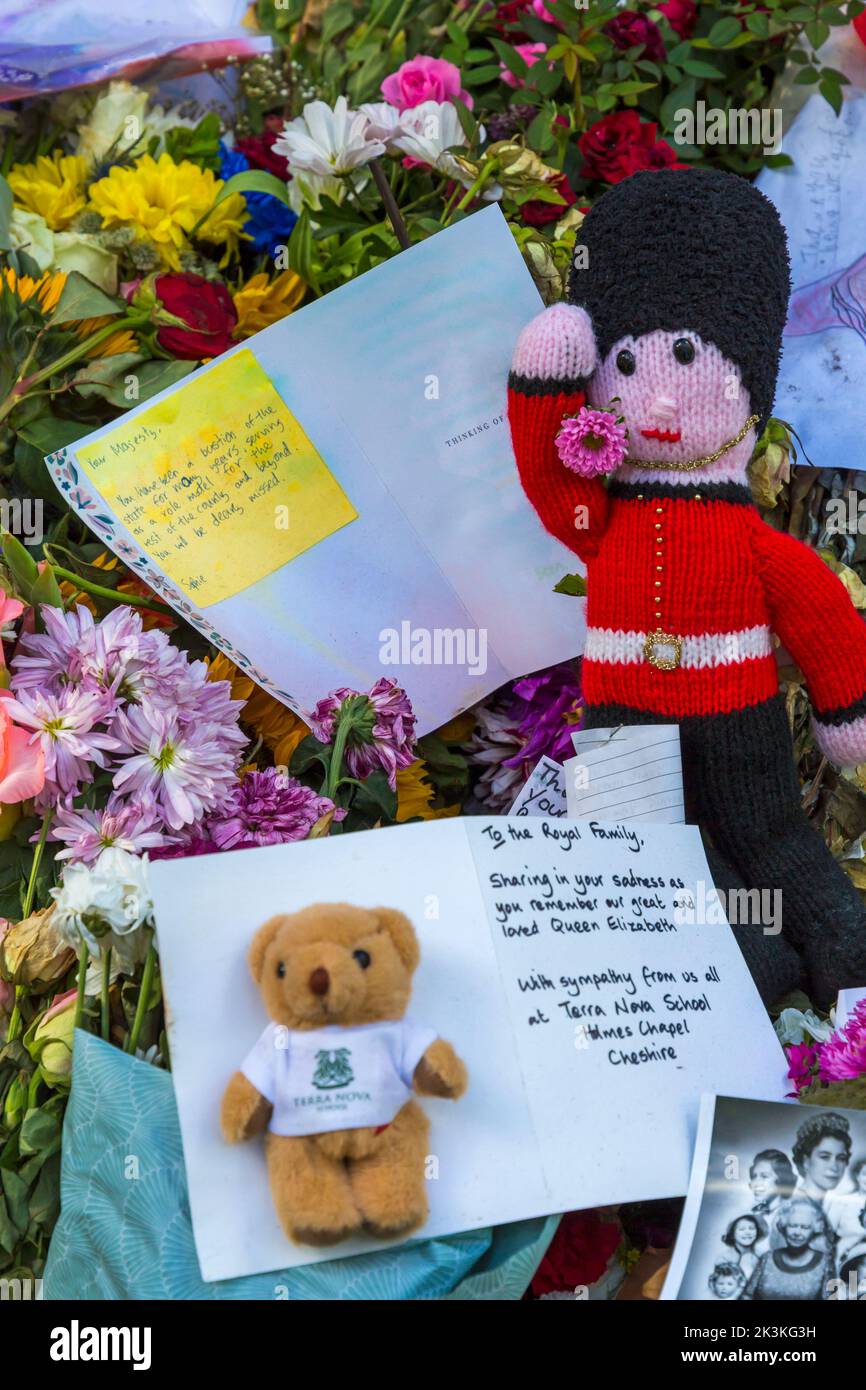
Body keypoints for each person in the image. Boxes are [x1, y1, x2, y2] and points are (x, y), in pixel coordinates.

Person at [740, 1197, 835, 1301]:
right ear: (783, 1227)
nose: (797, 1233)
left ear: (814, 1231)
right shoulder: (767, 1258)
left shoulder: (824, 1263)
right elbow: (746, 1296)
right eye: (792, 1226)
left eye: (805, 1227)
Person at [749, 1148, 797, 1247]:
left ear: (781, 1179)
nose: (756, 1183)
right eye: (754, 1176)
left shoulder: (795, 1216)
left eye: (764, 1176)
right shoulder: (752, 1215)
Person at [721, 1213, 767, 1279]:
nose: (747, 1232)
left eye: (751, 1228)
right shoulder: (725, 1258)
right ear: (732, 1234)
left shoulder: (763, 1256)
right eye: (742, 1229)